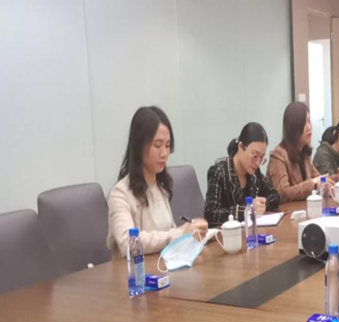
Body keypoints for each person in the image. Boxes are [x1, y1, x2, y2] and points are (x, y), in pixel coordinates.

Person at [107, 106, 208, 258]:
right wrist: (180, 233)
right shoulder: (120, 194)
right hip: (135, 271)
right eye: (157, 145)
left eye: (167, 146)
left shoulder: (160, 188)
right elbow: (129, 243)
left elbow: (169, 235)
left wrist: (189, 233)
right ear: (139, 145)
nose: (164, 153)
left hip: (163, 266)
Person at [205, 122, 281, 227]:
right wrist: (247, 210)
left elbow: (274, 196)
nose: (257, 163)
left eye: (261, 157)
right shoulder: (218, 173)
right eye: (255, 156)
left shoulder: (254, 173)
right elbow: (211, 214)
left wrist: (261, 205)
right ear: (240, 147)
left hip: (251, 232)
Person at [267, 101, 332, 202]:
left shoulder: (304, 153)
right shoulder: (278, 156)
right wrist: (313, 184)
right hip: (287, 211)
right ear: (294, 127)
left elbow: (319, 178)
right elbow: (282, 193)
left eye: (309, 121)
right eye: (304, 123)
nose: (309, 127)